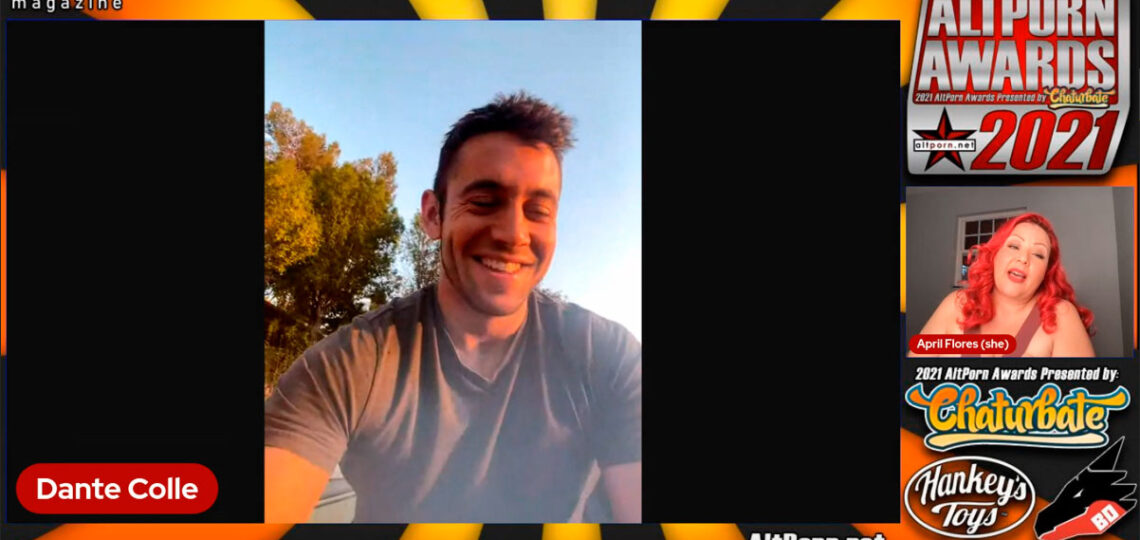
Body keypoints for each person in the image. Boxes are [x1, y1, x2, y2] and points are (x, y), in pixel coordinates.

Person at [264, 92, 642, 523]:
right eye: (484, 202)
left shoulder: (606, 356)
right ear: (433, 215)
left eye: (537, 210)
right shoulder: (353, 364)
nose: (513, 234)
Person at [911, 212, 1095, 357]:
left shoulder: (1061, 315)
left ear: (1046, 272)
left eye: (1038, 254)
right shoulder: (955, 304)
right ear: (994, 254)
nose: (1023, 258)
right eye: (1014, 246)